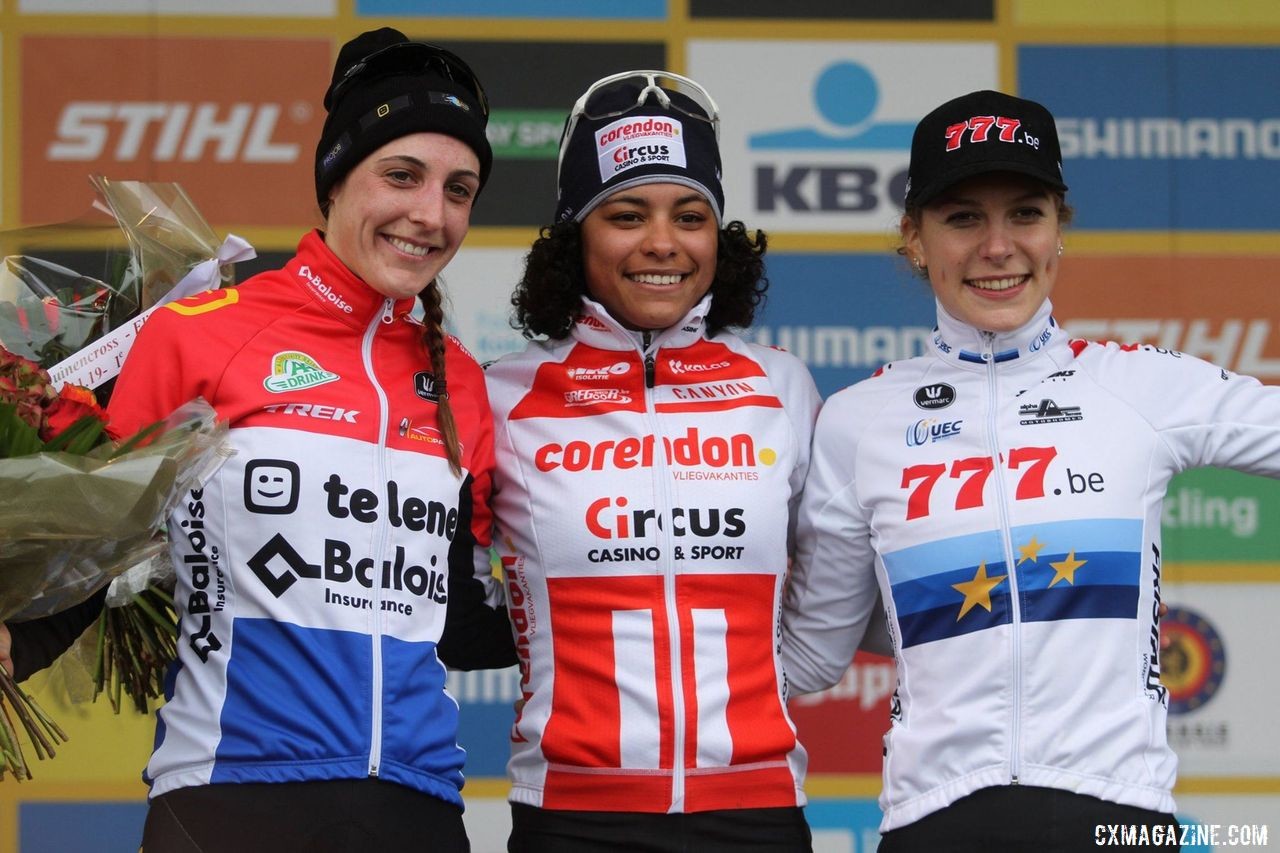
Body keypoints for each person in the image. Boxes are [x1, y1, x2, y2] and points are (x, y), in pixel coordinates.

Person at [1, 27, 514, 852]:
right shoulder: (203, 336)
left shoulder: (463, 381)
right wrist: (14, 640)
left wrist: (626, 599)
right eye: (402, 176)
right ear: (337, 178)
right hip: (231, 798)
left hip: (418, 806)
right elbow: (93, 546)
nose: (431, 213)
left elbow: (454, 614)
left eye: (460, 190)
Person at [780, 88, 1280, 852]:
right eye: (962, 218)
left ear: (1059, 232)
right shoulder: (858, 421)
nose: (997, 246)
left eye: (1024, 213)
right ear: (914, 239)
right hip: (935, 819)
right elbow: (812, 653)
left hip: (1120, 815)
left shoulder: (1137, 387)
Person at [484, 71, 821, 852]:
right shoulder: (502, 394)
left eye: (690, 215)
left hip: (757, 808)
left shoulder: (781, 387)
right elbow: (451, 594)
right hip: (571, 813)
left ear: (719, 235)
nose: (662, 243)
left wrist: (758, 693)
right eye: (627, 214)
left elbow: (830, 593)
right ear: (578, 236)